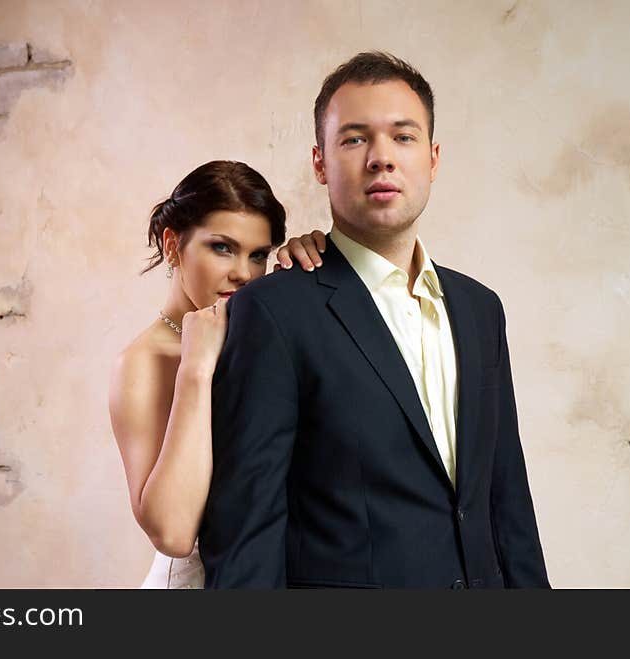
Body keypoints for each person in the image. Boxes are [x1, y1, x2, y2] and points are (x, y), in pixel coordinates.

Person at [199, 52, 551, 588]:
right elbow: (246, 533)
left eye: (403, 137)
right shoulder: (275, 312)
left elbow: (508, 505)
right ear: (319, 162)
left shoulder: (482, 310)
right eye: (355, 138)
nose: (381, 158)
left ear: (433, 158)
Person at [109, 160, 326, 588]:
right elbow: (172, 533)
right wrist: (195, 367)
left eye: (258, 254)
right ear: (173, 245)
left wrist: (316, 272)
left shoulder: (260, 337)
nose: (243, 273)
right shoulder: (144, 361)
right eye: (222, 248)